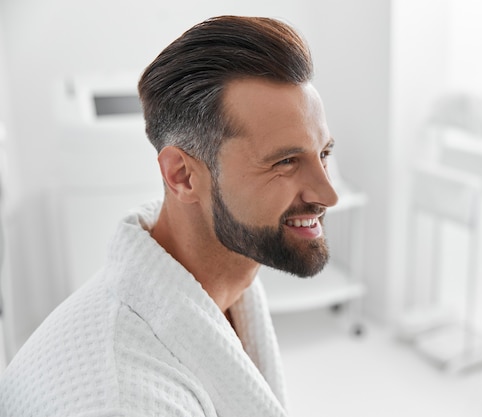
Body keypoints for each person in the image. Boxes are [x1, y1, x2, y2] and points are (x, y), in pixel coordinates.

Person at [0, 15, 338, 417]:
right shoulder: (127, 399)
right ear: (182, 176)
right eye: (285, 161)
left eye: (324, 154)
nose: (328, 195)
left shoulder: (230, 275)